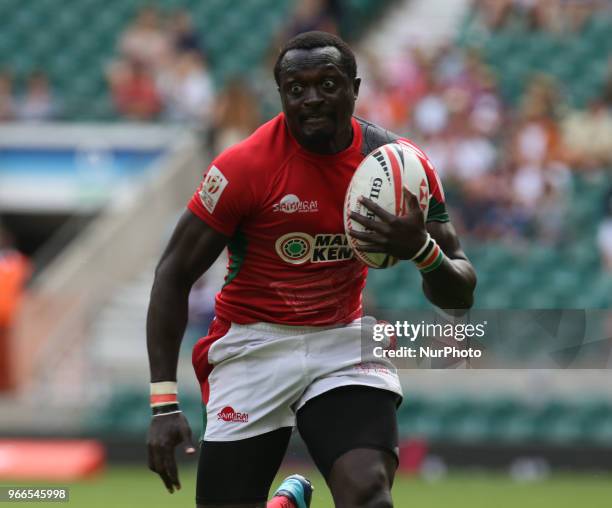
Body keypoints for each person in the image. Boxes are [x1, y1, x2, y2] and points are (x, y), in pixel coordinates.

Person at [146, 31, 476, 508]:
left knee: (368, 496)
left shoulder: (401, 166)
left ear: (355, 88)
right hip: (252, 344)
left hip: (343, 341)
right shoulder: (245, 167)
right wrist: (163, 402)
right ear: (280, 94)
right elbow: (173, 274)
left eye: (328, 83)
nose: (312, 99)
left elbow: (460, 295)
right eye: (296, 89)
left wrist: (422, 249)